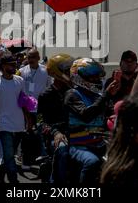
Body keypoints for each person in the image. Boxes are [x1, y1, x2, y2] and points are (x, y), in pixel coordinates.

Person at [64, 58, 118, 184]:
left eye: (97, 77)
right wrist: (106, 95)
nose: (97, 80)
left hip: (99, 143)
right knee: (92, 162)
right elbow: (86, 115)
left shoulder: (98, 96)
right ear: (79, 77)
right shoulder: (72, 94)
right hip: (78, 145)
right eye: (92, 77)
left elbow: (112, 114)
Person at [0, 55, 26, 184]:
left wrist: (30, 119)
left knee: (9, 155)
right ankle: (14, 181)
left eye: (15, 64)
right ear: (3, 66)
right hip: (3, 124)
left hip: (19, 124)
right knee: (9, 154)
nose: (14, 67)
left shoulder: (20, 81)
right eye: (11, 64)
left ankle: (0, 177)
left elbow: (24, 101)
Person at [38, 53, 75, 183]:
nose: (70, 73)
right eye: (66, 70)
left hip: (76, 133)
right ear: (56, 72)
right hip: (56, 136)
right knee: (63, 150)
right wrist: (56, 132)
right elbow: (41, 122)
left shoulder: (74, 91)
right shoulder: (45, 95)